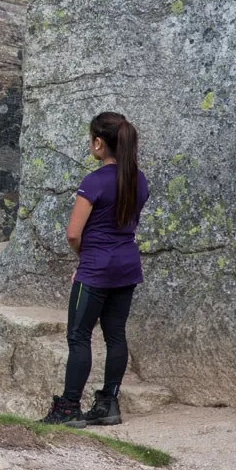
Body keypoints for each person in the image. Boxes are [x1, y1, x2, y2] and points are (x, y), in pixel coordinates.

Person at [41, 112, 150, 428]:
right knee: (115, 334)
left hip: (96, 269)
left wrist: (84, 260)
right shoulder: (138, 180)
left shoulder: (93, 182)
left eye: (91, 139)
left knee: (79, 335)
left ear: (98, 143)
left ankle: (68, 408)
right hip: (127, 266)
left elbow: (73, 234)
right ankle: (108, 403)